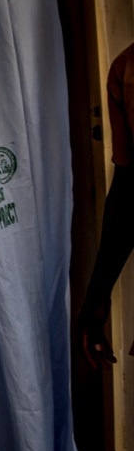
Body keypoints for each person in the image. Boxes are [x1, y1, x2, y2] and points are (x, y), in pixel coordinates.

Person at [77, 41, 134, 368]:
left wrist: (96, 300)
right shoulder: (126, 66)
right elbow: (129, 187)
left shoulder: (126, 64)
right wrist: (96, 299)